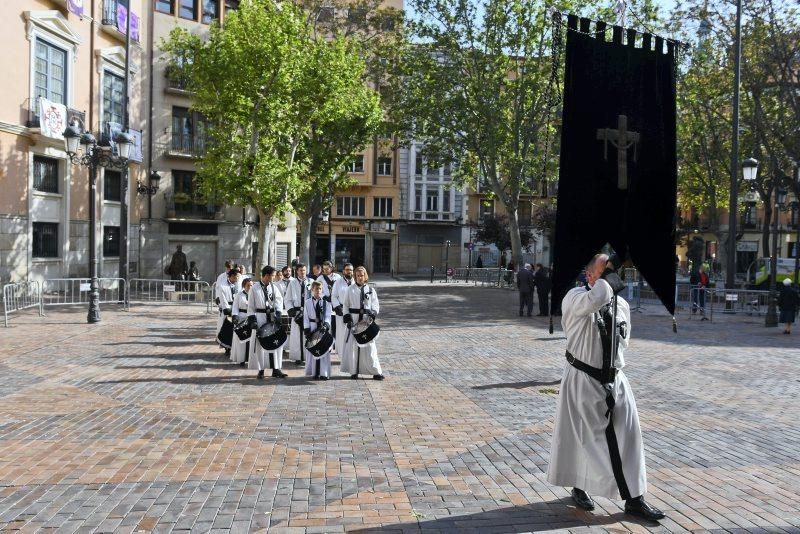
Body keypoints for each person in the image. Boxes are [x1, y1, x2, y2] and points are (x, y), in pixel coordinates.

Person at [548, 253, 664, 521]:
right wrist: (607, 271)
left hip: (615, 379)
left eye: (613, 270)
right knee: (585, 439)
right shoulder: (575, 297)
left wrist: (609, 269)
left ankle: (635, 499)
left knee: (629, 438)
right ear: (589, 275)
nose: (613, 275)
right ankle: (580, 485)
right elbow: (596, 298)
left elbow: (623, 341)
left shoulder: (621, 304)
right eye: (604, 270)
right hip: (583, 378)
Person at [341, 266, 384, 380]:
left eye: (362, 275)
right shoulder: (350, 289)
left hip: (366, 322)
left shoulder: (370, 290)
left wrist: (372, 315)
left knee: (370, 347)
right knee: (353, 347)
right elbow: (345, 304)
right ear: (355, 276)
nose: (360, 278)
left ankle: (376, 371)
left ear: (365, 276)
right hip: (354, 321)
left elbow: (375, 305)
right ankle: (354, 371)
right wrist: (347, 318)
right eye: (358, 276)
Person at [247, 266, 288, 379]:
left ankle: (276, 368)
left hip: (272, 318)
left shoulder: (274, 287)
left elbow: (279, 302)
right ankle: (261, 369)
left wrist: (278, 314)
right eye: (272, 276)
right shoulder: (254, 288)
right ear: (266, 275)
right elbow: (250, 307)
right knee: (261, 344)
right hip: (260, 317)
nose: (274, 278)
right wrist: (253, 320)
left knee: (275, 342)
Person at [304, 280, 332, 380]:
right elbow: (306, 317)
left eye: (320, 289)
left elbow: (328, 316)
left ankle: (323, 372)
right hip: (312, 327)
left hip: (322, 328)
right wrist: (307, 329)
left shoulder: (326, 303)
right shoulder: (307, 302)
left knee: (323, 349)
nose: (318, 291)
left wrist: (326, 325)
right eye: (316, 289)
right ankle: (314, 372)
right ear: (312, 289)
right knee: (314, 349)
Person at [285, 263, 313, 366]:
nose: (302, 272)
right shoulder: (292, 283)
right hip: (297, 312)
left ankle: (308, 356)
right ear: (297, 271)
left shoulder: (311, 282)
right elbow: (287, 298)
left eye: (304, 270)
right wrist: (290, 309)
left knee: (308, 334)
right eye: (300, 270)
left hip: (309, 312)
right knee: (297, 336)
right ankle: (298, 356)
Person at [332, 263, 354, 362]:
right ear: (343, 271)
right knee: (342, 334)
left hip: (353, 311)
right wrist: (337, 307)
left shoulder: (355, 282)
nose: (349, 271)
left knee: (353, 333)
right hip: (341, 311)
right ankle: (342, 356)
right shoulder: (338, 282)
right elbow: (334, 296)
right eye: (347, 269)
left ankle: (352, 355)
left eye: (350, 270)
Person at [215, 269, 240, 357]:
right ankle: (227, 348)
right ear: (231, 276)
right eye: (236, 276)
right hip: (228, 308)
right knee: (227, 329)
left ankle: (236, 347)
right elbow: (223, 298)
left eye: (238, 276)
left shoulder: (239, 284)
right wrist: (227, 310)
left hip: (237, 308)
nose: (237, 278)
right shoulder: (223, 286)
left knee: (237, 329)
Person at [230, 276, 252, 366]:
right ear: (244, 285)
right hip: (241, 318)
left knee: (251, 339)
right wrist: (235, 316)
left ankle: (250, 358)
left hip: (251, 318)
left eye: (251, 285)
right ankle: (241, 358)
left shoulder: (254, 294)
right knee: (241, 339)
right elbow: (235, 307)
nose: (250, 287)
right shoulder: (239, 295)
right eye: (248, 285)